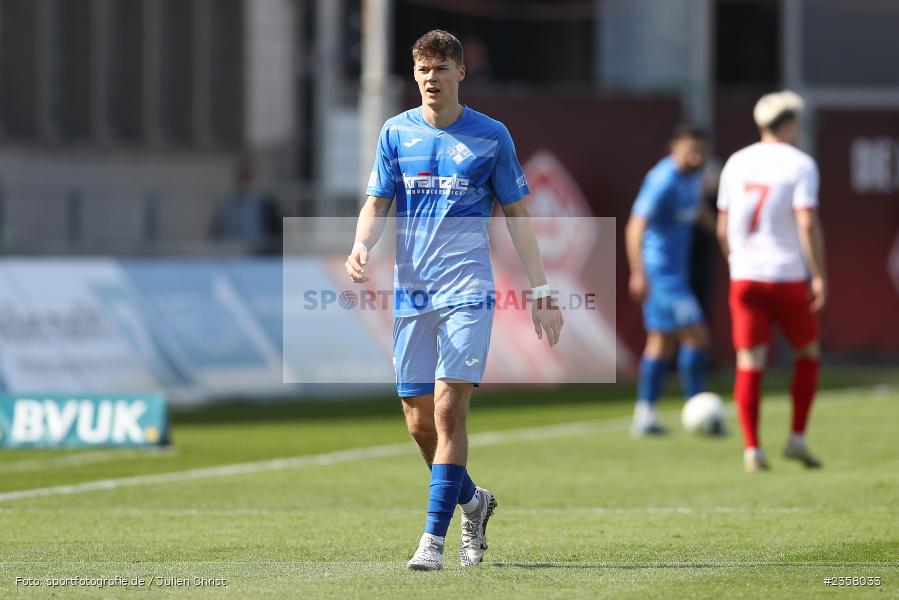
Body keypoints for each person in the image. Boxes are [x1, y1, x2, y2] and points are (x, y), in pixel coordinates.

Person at [344, 30, 563, 571]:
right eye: (422, 70)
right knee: (419, 422)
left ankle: (432, 541)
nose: (430, 79)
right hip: (411, 292)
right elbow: (377, 201)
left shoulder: (491, 136)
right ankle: (473, 501)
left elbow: (517, 216)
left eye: (441, 69)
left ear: (460, 73)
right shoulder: (395, 132)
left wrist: (540, 290)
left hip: (468, 289)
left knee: (448, 408)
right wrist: (359, 245)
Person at [716, 90, 826, 472]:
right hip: (787, 274)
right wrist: (818, 275)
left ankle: (752, 449)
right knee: (807, 353)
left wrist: (738, 264)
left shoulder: (736, 162)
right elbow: (807, 223)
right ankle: (796, 438)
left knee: (750, 362)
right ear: (790, 123)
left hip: (745, 276)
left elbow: (722, 227)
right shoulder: (801, 164)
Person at [625, 125, 715, 437]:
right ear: (673, 147)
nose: (696, 155)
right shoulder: (662, 180)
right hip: (660, 272)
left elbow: (697, 209)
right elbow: (635, 226)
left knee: (661, 343)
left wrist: (720, 232)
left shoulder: (692, 178)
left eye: (701, 150)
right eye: (691, 148)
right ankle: (700, 408)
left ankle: (645, 415)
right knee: (697, 336)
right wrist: (638, 272)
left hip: (676, 272)